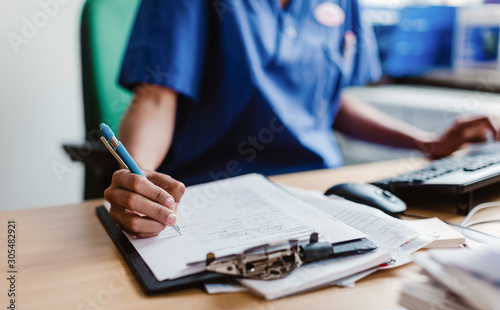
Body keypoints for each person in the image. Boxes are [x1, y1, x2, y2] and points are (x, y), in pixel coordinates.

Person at [104, 0, 500, 238]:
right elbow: (155, 98)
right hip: (211, 195)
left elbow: (330, 103)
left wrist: (426, 143)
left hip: (317, 192)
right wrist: (143, 175)